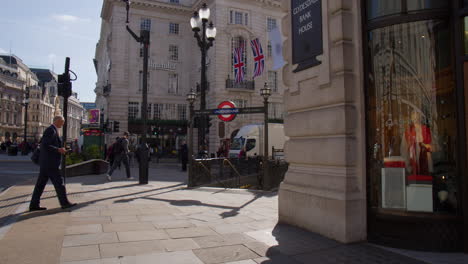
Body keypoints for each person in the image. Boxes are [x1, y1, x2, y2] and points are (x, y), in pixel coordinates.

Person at [29, 115, 77, 211]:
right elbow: (45, 145)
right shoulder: (51, 130)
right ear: (57, 121)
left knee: (40, 185)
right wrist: (58, 149)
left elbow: (47, 145)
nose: (63, 124)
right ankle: (64, 203)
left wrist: (62, 149)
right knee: (59, 184)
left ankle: (34, 204)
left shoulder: (52, 130)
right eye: (62, 122)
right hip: (50, 163)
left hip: (46, 163)